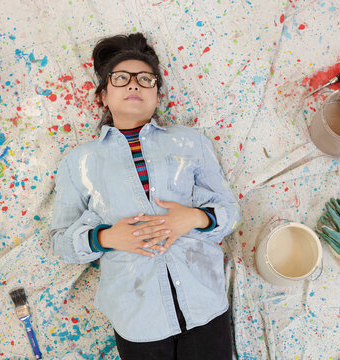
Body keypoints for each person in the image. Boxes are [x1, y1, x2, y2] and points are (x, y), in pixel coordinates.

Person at [50, 33, 240, 360]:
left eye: (145, 79)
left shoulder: (190, 142)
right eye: (121, 79)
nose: (134, 85)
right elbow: (59, 241)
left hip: (205, 303)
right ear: (103, 96)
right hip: (135, 316)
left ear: (157, 95)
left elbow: (230, 211)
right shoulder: (77, 162)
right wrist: (106, 237)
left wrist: (194, 217)